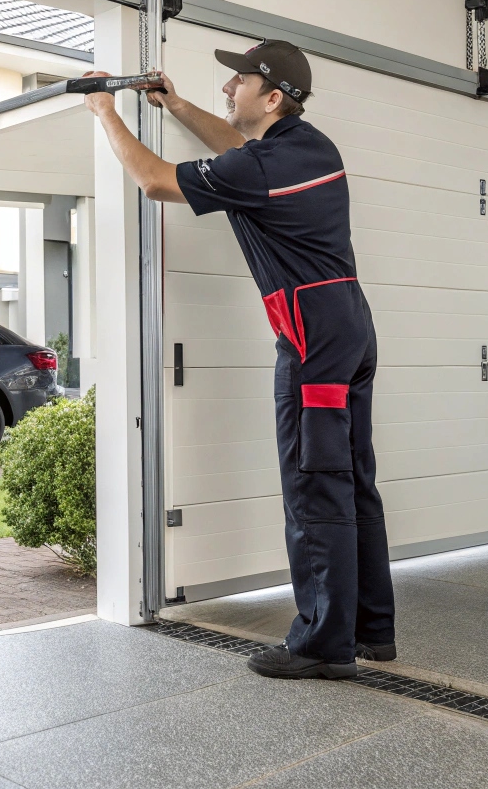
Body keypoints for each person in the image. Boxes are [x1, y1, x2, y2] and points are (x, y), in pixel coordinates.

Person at [83, 39, 395, 679]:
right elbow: (232, 146)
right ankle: (371, 629)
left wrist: (104, 111)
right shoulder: (308, 149)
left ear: (272, 96)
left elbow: (153, 180)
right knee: (352, 478)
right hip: (349, 327)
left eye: (239, 82)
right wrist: (175, 104)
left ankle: (322, 645)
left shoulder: (263, 167)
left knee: (315, 481)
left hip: (312, 337)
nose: (228, 91)